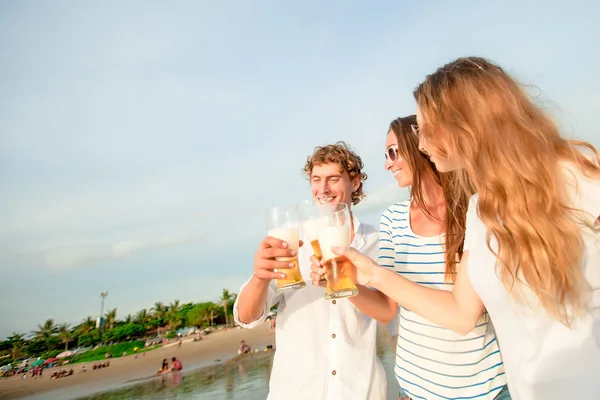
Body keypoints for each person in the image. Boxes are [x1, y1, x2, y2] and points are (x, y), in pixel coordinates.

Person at [330, 57, 600, 400]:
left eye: (425, 129)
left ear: (464, 122)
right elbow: (461, 313)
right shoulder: (480, 209)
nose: (422, 143)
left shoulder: (580, 176)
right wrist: (370, 275)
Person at [313, 117, 509, 399]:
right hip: (413, 387)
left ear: (422, 145)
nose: (387, 164)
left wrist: (374, 274)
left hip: (483, 387)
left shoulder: (474, 210)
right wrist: (345, 284)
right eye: (385, 155)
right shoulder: (393, 219)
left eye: (393, 152)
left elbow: (467, 314)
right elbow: (386, 309)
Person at [233, 142, 394, 400]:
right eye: (316, 180)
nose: (323, 189)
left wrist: (342, 281)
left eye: (333, 179)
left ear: (355, 183)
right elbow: (247, 316)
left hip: (362, 391)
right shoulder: (292, 240)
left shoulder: (378, 240)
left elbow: (387, 312)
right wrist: (260, 277)